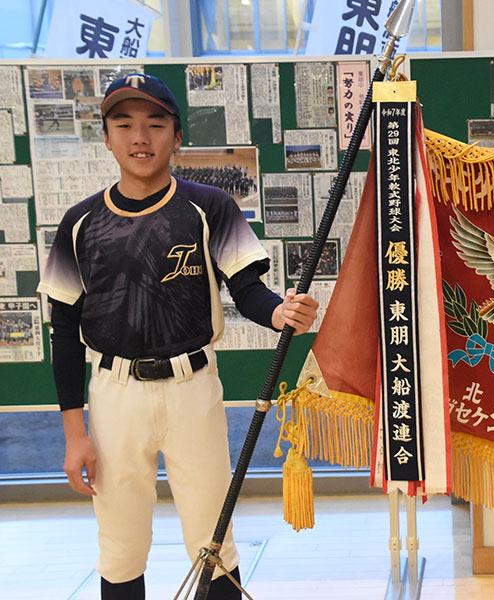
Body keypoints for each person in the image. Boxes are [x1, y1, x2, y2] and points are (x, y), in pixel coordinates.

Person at [38, 73, 319, 600]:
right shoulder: (80, 222)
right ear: (105, 137)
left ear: (178, 135)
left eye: (154, 124)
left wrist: (280, 311)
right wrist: (75, 434)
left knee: (213, 539)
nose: (139, 137)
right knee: (120, 545)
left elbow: (247, 288)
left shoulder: (210, 207)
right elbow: (65, 331)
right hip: (114, 394)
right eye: (123, 124)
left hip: (193, 388)